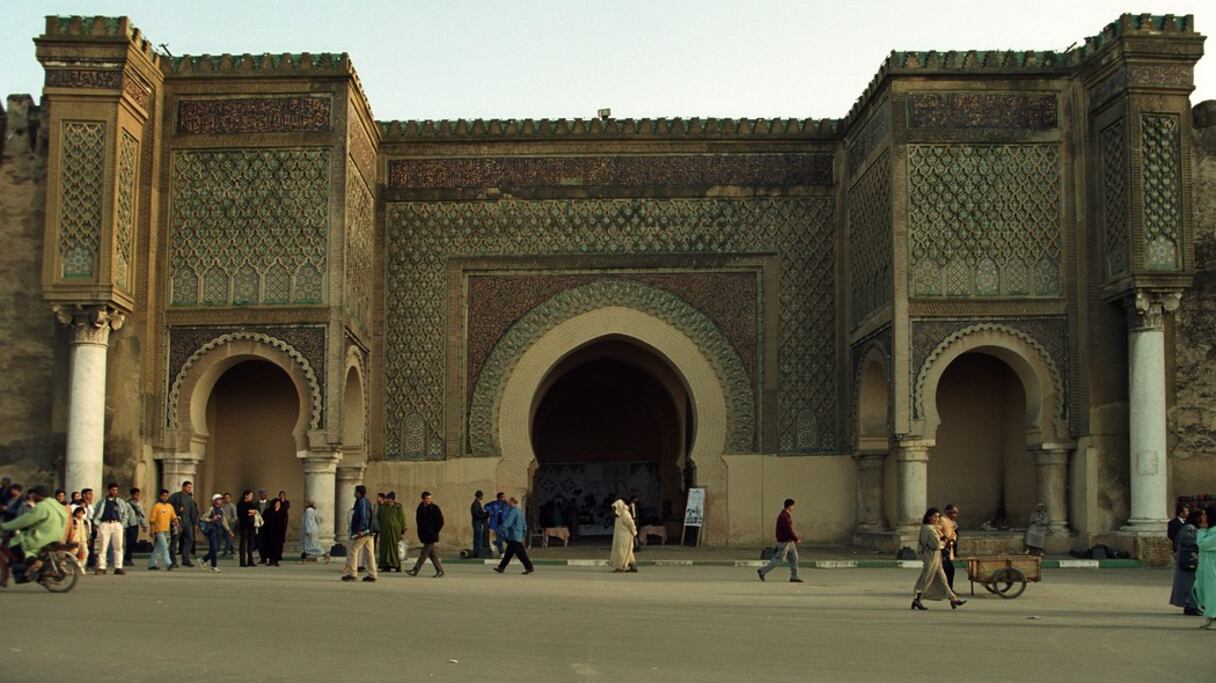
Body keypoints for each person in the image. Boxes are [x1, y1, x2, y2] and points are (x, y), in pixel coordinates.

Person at [0, 486, 67, 580]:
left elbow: (25, 520)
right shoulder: (55, 504)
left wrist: (4, 526)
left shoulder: (42, 506)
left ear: (38, 496)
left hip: (43, 536)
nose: (31, 497)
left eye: (33, 496)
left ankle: (30, 566)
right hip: (57, 535)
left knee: (15, 545)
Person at [912, 508, 965, 610]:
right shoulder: (928, 528)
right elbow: (935, 544)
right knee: (926, 578)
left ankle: (953, 599)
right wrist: (944, 543)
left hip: (936, 556)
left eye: (937, 516)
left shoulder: (931, 528)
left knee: (943, 579)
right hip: (931, 556)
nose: (936, 519)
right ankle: (917, 600)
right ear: (929, 517)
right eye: (934, 516)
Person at [92, 482, 135, 575]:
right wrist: (98, 524)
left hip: (117, 524)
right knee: (102, 546)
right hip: (105, 524)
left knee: (118, 546)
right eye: (112, 490)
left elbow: (125, 514)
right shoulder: (102, 501)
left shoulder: (120, 502)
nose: (114, 492)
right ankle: (101, 567)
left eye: (116, 490)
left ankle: (118, 567)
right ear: (108, 490)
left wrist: (122, 525)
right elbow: (96, 512)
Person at [757, 498, 802, 583]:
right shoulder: (784, 517)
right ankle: (762, 571)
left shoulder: (785, 515)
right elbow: (788, 530)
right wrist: (795, 539)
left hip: (789, 541)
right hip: (784, 541)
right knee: (779, 559)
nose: (793, 508)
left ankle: (794, 576)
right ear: (789, 506)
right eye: (793, 506)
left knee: (794, 558)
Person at [341, 485, 377, 582]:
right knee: (369, 553)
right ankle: (372, 574)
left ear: (358, 492)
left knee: (353, 549)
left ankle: (352, 573)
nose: (354, 493)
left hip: (364, 531)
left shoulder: (362, 502)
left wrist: (360, 529)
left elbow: (364, 516)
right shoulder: (366, 501)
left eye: (355, 491)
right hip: (369, 531)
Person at [1171, 509, 1203, 616]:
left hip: (1190, 561)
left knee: (1192, 585)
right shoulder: (1188, 528)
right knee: (1190, 585)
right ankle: (1192, 607)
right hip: (1188, 561)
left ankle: (1191, 606)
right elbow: (1189, 540)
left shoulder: (1191, 528)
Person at [408, 491, 445, 577]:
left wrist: (435, 531)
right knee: (432, 555)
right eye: (427, 498)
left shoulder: (435, 508)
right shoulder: (420, 508)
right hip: (424, 535)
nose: (429, 500)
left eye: (430, 498)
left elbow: (441, 521)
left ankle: (415, 570)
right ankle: (440, 571)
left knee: (424, 553)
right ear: (423, 499)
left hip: (432, 535)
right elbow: (419, 522)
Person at [493, 496, 534, 575]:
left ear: (512, 502)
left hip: (513, 535)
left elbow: (508, 523)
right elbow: (524, 524)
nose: (507, 504)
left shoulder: (513, 512)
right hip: (517, 535)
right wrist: (523, 533)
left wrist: (499, 530)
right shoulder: (520, 512)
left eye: (508, 502)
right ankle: (501, 567)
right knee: (509, 553)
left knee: (521, 554)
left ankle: (529, 567)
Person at [168, 481, 199, 568]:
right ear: (183, 487)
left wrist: (195, 523)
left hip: (188, 522)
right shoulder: (176, 496)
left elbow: (193, 511)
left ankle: (185, 559)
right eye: (188, 487)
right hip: (178, 521)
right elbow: (168, 506)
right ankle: (173, 561)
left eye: (190, 487)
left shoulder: (190, 498)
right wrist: (177, 510)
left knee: (190, 539)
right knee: (175, 541)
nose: (190, 489)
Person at [201, 494, 233, 573]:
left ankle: (203, 560)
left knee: (217, 548)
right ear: (214, 501)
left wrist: (229, 531)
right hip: (212, 531)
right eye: (218, 499)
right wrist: (211, 519)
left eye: (221, 499)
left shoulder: (221, 510)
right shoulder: (211, 509)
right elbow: (203, 517)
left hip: (219, 531)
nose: (220, 501)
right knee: (214, 549)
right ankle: (214, 567)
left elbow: (224, 521)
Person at [147, 489, 176, 570]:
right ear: (160, 496)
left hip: (167, 530)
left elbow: (173, 517)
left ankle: (152, 564)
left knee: (158, 548)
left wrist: (176, 522)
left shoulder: (170, 506)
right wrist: (152, 530)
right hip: (159, 530)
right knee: (165, 547)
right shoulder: (156, 506)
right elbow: (152, 520)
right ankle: (169, 563)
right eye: (163, 496)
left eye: (167, 496)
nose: (165, 497)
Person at [1196, 510, 1216, 630]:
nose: (1202, 517)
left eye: (1205, 515)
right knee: (1199, 588)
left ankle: (1211, 615)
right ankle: (1210, 614)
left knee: (1212, 592)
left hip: (1213, 567)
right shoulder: (1209, 531)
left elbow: (1204, 545)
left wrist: (1202, 531)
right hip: (1205, 567)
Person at [376, 492, 406, 572]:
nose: (388, 500)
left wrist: (402, 530)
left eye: (389, 499)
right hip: (384, 531)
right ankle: (385, 565)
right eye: (387, 498)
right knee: (384, 548)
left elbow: (402, 519)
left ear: (393, 499)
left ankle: (396, 565)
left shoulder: (398, 507)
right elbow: (378, 518)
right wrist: (377, 528)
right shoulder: (382, 508)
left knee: (396, 548)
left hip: (395, 531)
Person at [610, 499, 638, 573]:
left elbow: (631, 524)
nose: (614, 510)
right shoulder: (618, 515)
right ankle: (633, 566)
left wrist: (634, 532)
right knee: (628, 551)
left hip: (625, 537)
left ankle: (620, 567)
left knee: (621, 552)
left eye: (615, 508)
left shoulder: (625, 514)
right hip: (620, 537)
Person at [936, 504, 960, 589]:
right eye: (953, 512)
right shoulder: (942, 520)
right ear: (947, 512)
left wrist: (953, 539)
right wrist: (943, 537)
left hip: (949, 549)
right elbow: (937, 530)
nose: (955, 515)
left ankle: (949, 588)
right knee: (946, 570)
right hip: (942, 549)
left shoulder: (952, 522)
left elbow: (954, 534)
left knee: (950, 570)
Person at [124, 487, 147, 567]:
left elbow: (141, 516)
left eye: (138, 494)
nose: (138, 496)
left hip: (135, 525)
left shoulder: (138, 505)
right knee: (129, 543)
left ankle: (128, 558)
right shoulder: (127, 505)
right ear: (132, 495)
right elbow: (125, 516)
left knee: (133, 543)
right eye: (136, 494)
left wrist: (144, 525)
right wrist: (124, 526)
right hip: (129, 526)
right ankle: (127, 558)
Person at [235, 490, 258, 567]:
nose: (252, 497)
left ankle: (250, 560)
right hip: (244, 526)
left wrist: (250, 512)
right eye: (250, 495)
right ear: (246, 495)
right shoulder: (240, 504)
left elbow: (255, 511)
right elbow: (241, 514)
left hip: (251, 526)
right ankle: (242, 561)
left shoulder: (251, 503)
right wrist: (249, 512)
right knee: (243, 543)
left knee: (250, 544)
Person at [262, 498, 287, 566]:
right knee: (269, 546)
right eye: (276, 503)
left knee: (277, 547)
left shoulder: (282, 512)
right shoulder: (268, 511)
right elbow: (265, 520)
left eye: (279, 504)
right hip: (269, 532)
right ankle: (270, 560)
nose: (277, 505)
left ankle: (276, 560)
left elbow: (283, 522)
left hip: (278, 532)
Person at [486, 491, 507, 557]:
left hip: (503, 523)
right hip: (495, 523)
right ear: (499, 498)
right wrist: (490, 511)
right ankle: (502, 552)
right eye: (503, 497)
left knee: (506, 536)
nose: (504, 498)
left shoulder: (506, 504)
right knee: (498, 537)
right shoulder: (494, 504)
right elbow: (486, 506)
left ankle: (494, 543)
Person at [470, 490, 489, 559]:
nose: (482, 497)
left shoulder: (477, 503)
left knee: (478, 537)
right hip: (477, 522)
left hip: (478, 522)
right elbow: (476, 514)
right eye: (482, 496)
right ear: (480, 496)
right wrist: (485, 515)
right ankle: (476, 552)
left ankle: (477, 552)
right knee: (477, 537)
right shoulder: (475, 504)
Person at [254, 489, 271, 564]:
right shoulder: (256, 504)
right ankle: (262, 558)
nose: (264, 495)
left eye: (265, 494)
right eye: (262, 494)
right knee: (260, 542)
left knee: (268, 542)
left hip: (268, 526)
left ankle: (268, 557)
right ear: (259, 495)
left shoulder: (270, 504)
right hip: (259, 526)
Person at [220, 493, 237, 558]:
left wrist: (230, 521)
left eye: (228, 498)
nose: (226, 499)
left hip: (230, 523)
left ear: (230, 498)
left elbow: (235, 516)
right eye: (225, 498)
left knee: (228, 537)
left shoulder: (232, 506)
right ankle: (232, 550)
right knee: (228, 537)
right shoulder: (222, 506)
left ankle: (225, 551)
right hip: (223, 523)